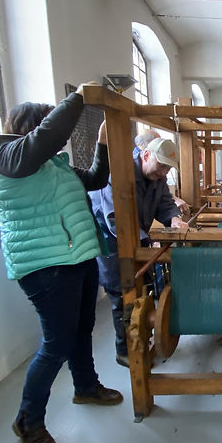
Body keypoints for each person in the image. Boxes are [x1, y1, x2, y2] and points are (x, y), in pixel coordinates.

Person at [0, 83, 123, 443]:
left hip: (77, 258)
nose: (60, 138)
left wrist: (104, 142)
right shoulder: (8, 159)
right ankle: (28, 421)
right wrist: (80, 97)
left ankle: (86, 386)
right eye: (47, 127)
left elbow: (95, 180)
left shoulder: (51, 166)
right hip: (45, 267)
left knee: (80, 331)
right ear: (31, 128)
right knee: (56, 344)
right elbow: (49, 134)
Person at [90, 132, 189, 367]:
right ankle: (125, 351)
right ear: (146, 155)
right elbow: (115, 220)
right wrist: (147, 241)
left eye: (167, 169)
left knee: (142, 288)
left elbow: (165, 204)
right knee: (122, 293)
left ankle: (143, 338)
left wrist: (174, 219)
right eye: (161, 166)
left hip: (137, 238)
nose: (163, 173)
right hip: (112, 242)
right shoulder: (118, 174)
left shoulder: (158, 178)